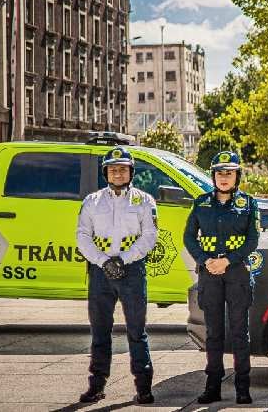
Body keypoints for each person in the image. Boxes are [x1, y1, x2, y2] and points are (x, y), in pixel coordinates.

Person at [75, 146, 158, 404]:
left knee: (136, 331)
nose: (118, 173)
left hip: (132, 270)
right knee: (100, 331)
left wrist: (122, 259)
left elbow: (149, 236)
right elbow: (83, 237)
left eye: (123, 169)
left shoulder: (145, 201)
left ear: (131, 172)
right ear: (106, 173)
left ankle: (143, 387)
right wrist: (103, 261)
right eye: (113, 169)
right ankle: (96, 385)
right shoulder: (92, 201)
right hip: (101, 272)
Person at [183, 151, 260, 405]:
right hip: (210, 274)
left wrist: (227, 261)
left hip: (236, 272)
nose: (223, 178)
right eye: (219, 173)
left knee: (240, 332)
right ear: (213, 176)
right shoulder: (201, 203)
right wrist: (207, 261)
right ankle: (213, 386)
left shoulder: (248, 204)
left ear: (237, 176)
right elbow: (189, 237)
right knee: (214, 333)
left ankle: (242, 387)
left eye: (229, 173)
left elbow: (252, 240)